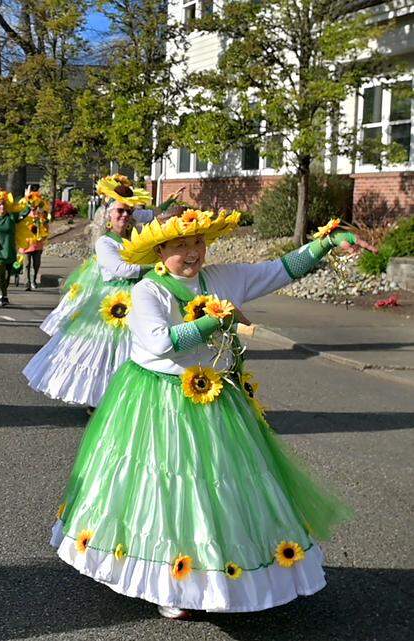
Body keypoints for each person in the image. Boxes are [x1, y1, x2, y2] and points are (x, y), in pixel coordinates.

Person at [50, 209, 364, 619]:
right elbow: (159, 341)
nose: (192, 252)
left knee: (220, 486)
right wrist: (213, 322)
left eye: (197, 242)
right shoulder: (149, 291)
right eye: (180, 245)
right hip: (158, 401)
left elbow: (277, 270)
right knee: (165, 488)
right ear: (160, 252)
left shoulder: (222, 279)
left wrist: (323, 244)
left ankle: (219, 572)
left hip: (216, 397)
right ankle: (171, 582)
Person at [22, 176, 151, 407]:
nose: (125, 216)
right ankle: (98, 400)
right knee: (104, 351)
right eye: (119, 211)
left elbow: (151, 216)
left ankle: (124, 399)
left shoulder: (133, 238)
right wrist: (154, 268)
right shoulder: (105, 243)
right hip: (111, 303)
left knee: (130, 350)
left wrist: (170, 206)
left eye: (128, 213)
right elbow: (121, 269)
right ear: (108, 216)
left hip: (136, 301)